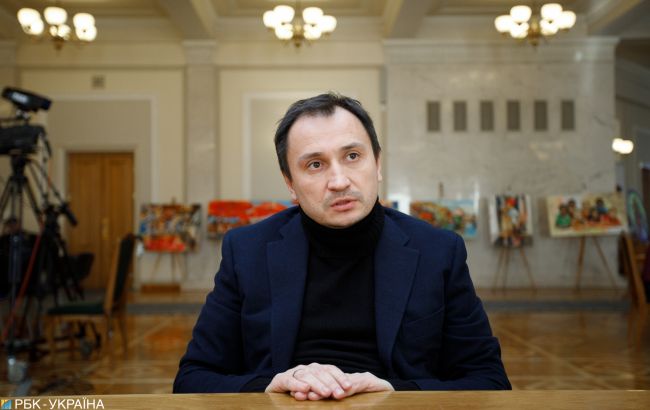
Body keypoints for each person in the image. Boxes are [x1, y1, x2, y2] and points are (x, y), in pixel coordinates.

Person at [174, 93, 511, 399]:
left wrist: (396, 391)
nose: (338, 181)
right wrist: (270, 385)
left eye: (352, 156)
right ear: (290, 184)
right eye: (315, 164)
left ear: (377, 164)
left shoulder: (438, 251)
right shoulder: (247, 251)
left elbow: (489, 380)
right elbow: (192, 378)